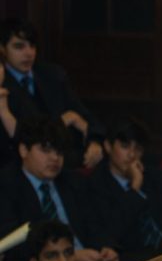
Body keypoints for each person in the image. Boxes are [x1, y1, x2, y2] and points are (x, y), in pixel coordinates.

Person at [0, 115, 118, 261]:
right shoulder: (6, 186)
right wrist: (70, 256)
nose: (55, 158)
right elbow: (13, 244)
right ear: (24, 150)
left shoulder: (73, 181)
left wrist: (106, 248)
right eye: (46, 150)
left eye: (59, 151)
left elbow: (95, 223)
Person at [0, 18, 104, 169]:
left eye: (32, 46)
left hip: (67, 157)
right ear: (2, 49)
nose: (28, 53)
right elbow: (24, 135)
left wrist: (94, 141)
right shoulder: (3, 84)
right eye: (19, 47)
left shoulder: (52, 75)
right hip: (21, 165)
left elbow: (84, 115)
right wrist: (65, 121)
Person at [87, 117, 162, 261]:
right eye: (125, 146)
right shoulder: (96, 184)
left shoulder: (155, 176)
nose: (132, 155)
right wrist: (135, 188)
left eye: (137, 149)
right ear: (108, 146)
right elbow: (111, 233)